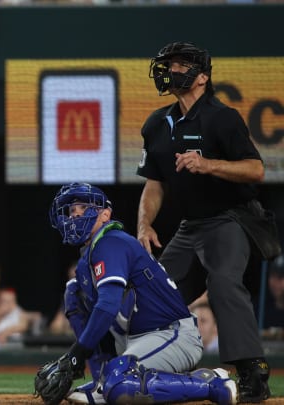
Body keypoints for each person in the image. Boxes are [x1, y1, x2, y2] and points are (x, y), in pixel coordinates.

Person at [136, 41, 277, 402]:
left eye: (180, 65)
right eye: (168, 64)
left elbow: (256, 169)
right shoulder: (156, 123)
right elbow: (155, 183)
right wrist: (144, 225)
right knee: (153, 294)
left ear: (201, 77)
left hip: (230, 218)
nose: (170, 70)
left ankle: (253, 372)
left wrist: (208, 164)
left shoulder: (222, 117)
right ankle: (151, 367)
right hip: (190, 225)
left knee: (223, 282)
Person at [36, 183, 236, 405]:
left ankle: (211, 383)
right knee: (73, 291)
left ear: (105, 215)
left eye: (83, 207)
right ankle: (102, 381)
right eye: (72, 210)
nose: (75, 214)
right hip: (136, 338)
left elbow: (108, 306)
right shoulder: (86, 263)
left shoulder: (111, 241)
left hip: (172, 335)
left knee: (120, 383)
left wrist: (76, 355)